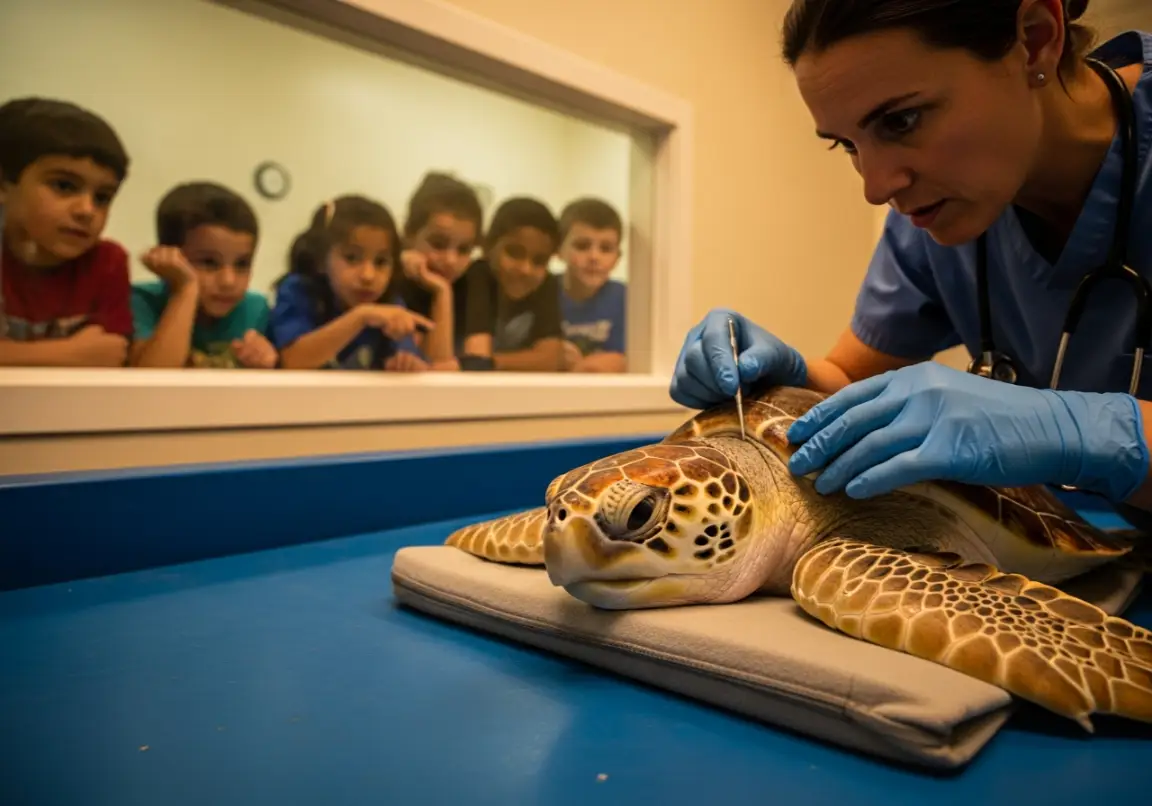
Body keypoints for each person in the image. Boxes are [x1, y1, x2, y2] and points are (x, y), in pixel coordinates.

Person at [670, 0, 1152, 520]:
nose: (876, 189)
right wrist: (784, 377)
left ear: (1035, 39)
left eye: (901, 121)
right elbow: (850, 377)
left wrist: (1082, 433)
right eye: (847, 145)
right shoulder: (935, 217)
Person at [0, 97, 133, 367]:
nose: (87, 210)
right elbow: (93, 356)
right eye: (63, 186)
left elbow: (111, 353)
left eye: (102, 197)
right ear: (3, 185)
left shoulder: (107, 263)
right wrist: (69, 354)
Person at [268, 195, 433, 371]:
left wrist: (408, 363)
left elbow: (416, 365)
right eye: (352, 258)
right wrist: (361, 317)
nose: (368, 276)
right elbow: (293, 360)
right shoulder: (299, 291)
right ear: (321, 260)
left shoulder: (390, 304)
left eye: (381, 262)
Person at [130, 181, 277, 369]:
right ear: (171, 257)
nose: (228, 281)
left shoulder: (256, 309)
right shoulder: (142, 301)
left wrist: (265, 365)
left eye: (242, 264)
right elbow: (153, 378)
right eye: (209, 262)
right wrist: (185, 288)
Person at [463, 196, 565, 372]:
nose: (526, 269)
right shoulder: (477, 275)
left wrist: (492, 362)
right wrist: (528, 360)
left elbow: (551, 359)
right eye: (514, 253)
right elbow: (477, 356)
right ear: (487, 246)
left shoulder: (547, 283)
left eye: (539, 261)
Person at [395, 171, 485, 370]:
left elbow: (442, 371)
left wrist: (442, 291)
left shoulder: (471, 283)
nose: (451, 260)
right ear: (409, 234)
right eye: (438, 244)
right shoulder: (389, 282)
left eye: (464, 249)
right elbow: (435, 369)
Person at [555, 197, 628, 373]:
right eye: (582, 246)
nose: (594, 257)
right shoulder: (541, 293)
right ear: (559, 250)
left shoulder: (628, 300)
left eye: (606, 248)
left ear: (617, 257)